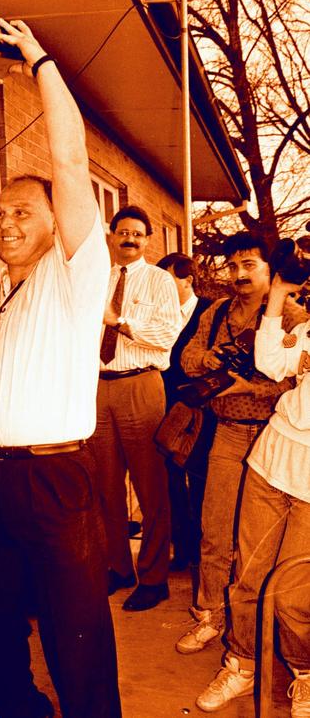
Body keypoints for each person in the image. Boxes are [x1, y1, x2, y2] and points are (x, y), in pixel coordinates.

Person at [0, 18, 121, 718]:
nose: (6, 222)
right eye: (1, 211)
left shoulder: (76, 271)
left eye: (23, 212)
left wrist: (37, 59)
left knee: (78, 640)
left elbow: (70, 163)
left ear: (56, 220)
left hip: (56, 478)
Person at [175, 232, 304, 656]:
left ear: (272, 269)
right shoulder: (217, 312)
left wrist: (247, 387)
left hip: (272, 436)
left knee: (256, 546)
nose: (239, 274)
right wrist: (208, 361)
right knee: (214, 529)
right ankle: (209, 615)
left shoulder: (293, 318)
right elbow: (186, 359)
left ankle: (255, 632)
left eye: (249, 265)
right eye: (233, 266)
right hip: (227, 434)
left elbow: (295, 384)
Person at [194, 271, 310, 714]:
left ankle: (303, 672)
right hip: (271, 461)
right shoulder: (304, 328)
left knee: (296, 598)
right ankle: (242, 664)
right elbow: (271, 363)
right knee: (248, 577)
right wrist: (278, 293)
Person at [91, 205, 181, 612]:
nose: (129, 239)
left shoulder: (160, 281)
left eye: (138, 234)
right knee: (105, 487)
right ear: (111, 236)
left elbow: (165, 335)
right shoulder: (95, 279)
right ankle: (118, 567)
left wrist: (118, 321)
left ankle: (154, 577)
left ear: (147, 240)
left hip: (142, 386)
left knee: (151, 488)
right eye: (123, 232)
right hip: (96, 389)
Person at [156, 253, 214, 575]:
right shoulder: (158, 313)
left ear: (187, 280)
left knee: (203, 481)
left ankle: (206, 553)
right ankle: (183, 550)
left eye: (169, 281)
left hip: (203, 413)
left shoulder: (211, 311)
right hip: (167, 411)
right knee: (171, 482)